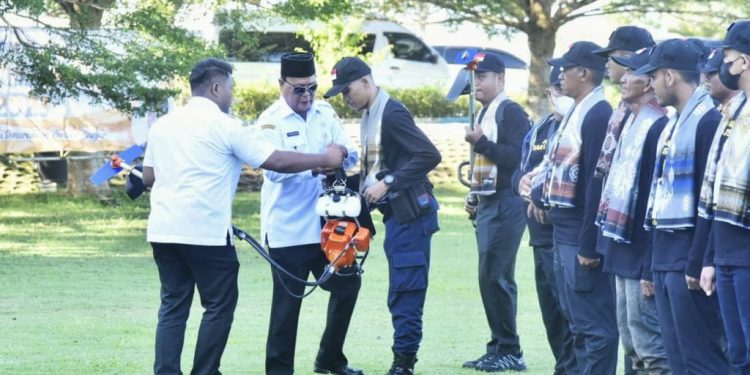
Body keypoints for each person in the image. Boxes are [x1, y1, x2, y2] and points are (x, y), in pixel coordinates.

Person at [141, 57, 347, 375]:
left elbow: (148, 178)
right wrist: (324, 157)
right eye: (230, 88)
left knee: (173, 307)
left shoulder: (163, 125)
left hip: (163, 231)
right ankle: (205, 372)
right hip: (206, 233)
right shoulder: (227, 126)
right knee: (218, 306)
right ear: (215, 87)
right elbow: (274, 160)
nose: (232, 95)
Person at [323, 57, 441, 375]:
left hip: (411, 215)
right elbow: (373, 172)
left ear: (365, 81)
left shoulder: (392, 113)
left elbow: (429, 155)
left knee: (406, 291)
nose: (345, 98)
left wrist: (389, 182)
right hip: (397, 216)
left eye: (347, 90)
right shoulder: (370, 115)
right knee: (400, 291)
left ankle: (403, 365)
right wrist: (339, 180)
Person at [258, 53, 362, 375]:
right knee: (287, 306)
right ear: (281, 85)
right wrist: (321, 161)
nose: (306, 96)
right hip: (287, 230)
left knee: (348, 284)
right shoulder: (269, 122)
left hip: (328, 228)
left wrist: (339, 154)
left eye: (312, 88)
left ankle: (329, 358)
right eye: (298, 90)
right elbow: (275, 169)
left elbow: (349, 151)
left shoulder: (324, 112)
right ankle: (279, 371)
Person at [634, 39, 728, 374]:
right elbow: (657, 195)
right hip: (665, 256)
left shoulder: (707, 121)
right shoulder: (671, 124)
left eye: (654, 76)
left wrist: (697, 262)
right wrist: (650, 266)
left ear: (670, 76)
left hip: (687, 259)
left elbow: (710, 203)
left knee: (701, 359)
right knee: (677, 359)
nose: (651, 84)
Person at [536, 41, 618, 375]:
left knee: (594, 327)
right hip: (562, 230)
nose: (559, 75)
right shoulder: (576, 108)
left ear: (583, 73)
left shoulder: (598, 113)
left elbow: (594, 185)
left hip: (578, 237)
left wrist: (588, 245)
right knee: (577, 324)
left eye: (566, 69)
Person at [595, 49, 671, 374]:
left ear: (651, 81)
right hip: (620, 247)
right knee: (632, 346)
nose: (623, 78)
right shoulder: (628, 120)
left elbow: (654, 201)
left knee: (652, 349)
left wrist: (647, 266)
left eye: (633, 72)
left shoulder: (658, 125)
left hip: (641, 252)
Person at [458, 53, 530, 372]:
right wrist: (474, 193)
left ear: (500, 80)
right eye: (474, 77)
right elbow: (487, 165)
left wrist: (482, 143)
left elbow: (519, 159)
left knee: (497, 276)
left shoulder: (510, 111)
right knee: (488, 277)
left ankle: (510, 349)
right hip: (489, 201)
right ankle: (499, 345)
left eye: (483, 76)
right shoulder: (487, 111)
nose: (477, 84)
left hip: (507, 203)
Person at [513, 66, 578, 375]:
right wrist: (522, 183)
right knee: (551, 313)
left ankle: (568, 370)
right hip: (538, 237)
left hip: (564, 235)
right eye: (556, 90)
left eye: (564, 90)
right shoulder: (539, 129)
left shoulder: (581, 126)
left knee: (571, 315)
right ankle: (561, 366)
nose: (559, 96)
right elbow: (519, 169)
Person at [698, 19, 750, 375]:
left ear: (744, 62)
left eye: (728, 57)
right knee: (738, 355)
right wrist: (712, 258)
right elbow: (717, 190)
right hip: (729, 252)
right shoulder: (733, 113)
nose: (723, 66)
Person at [592, 26, 655, 180]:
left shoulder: (647, 111)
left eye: (610, 58)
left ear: (628, 57)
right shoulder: (624, 106)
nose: (607, 64)